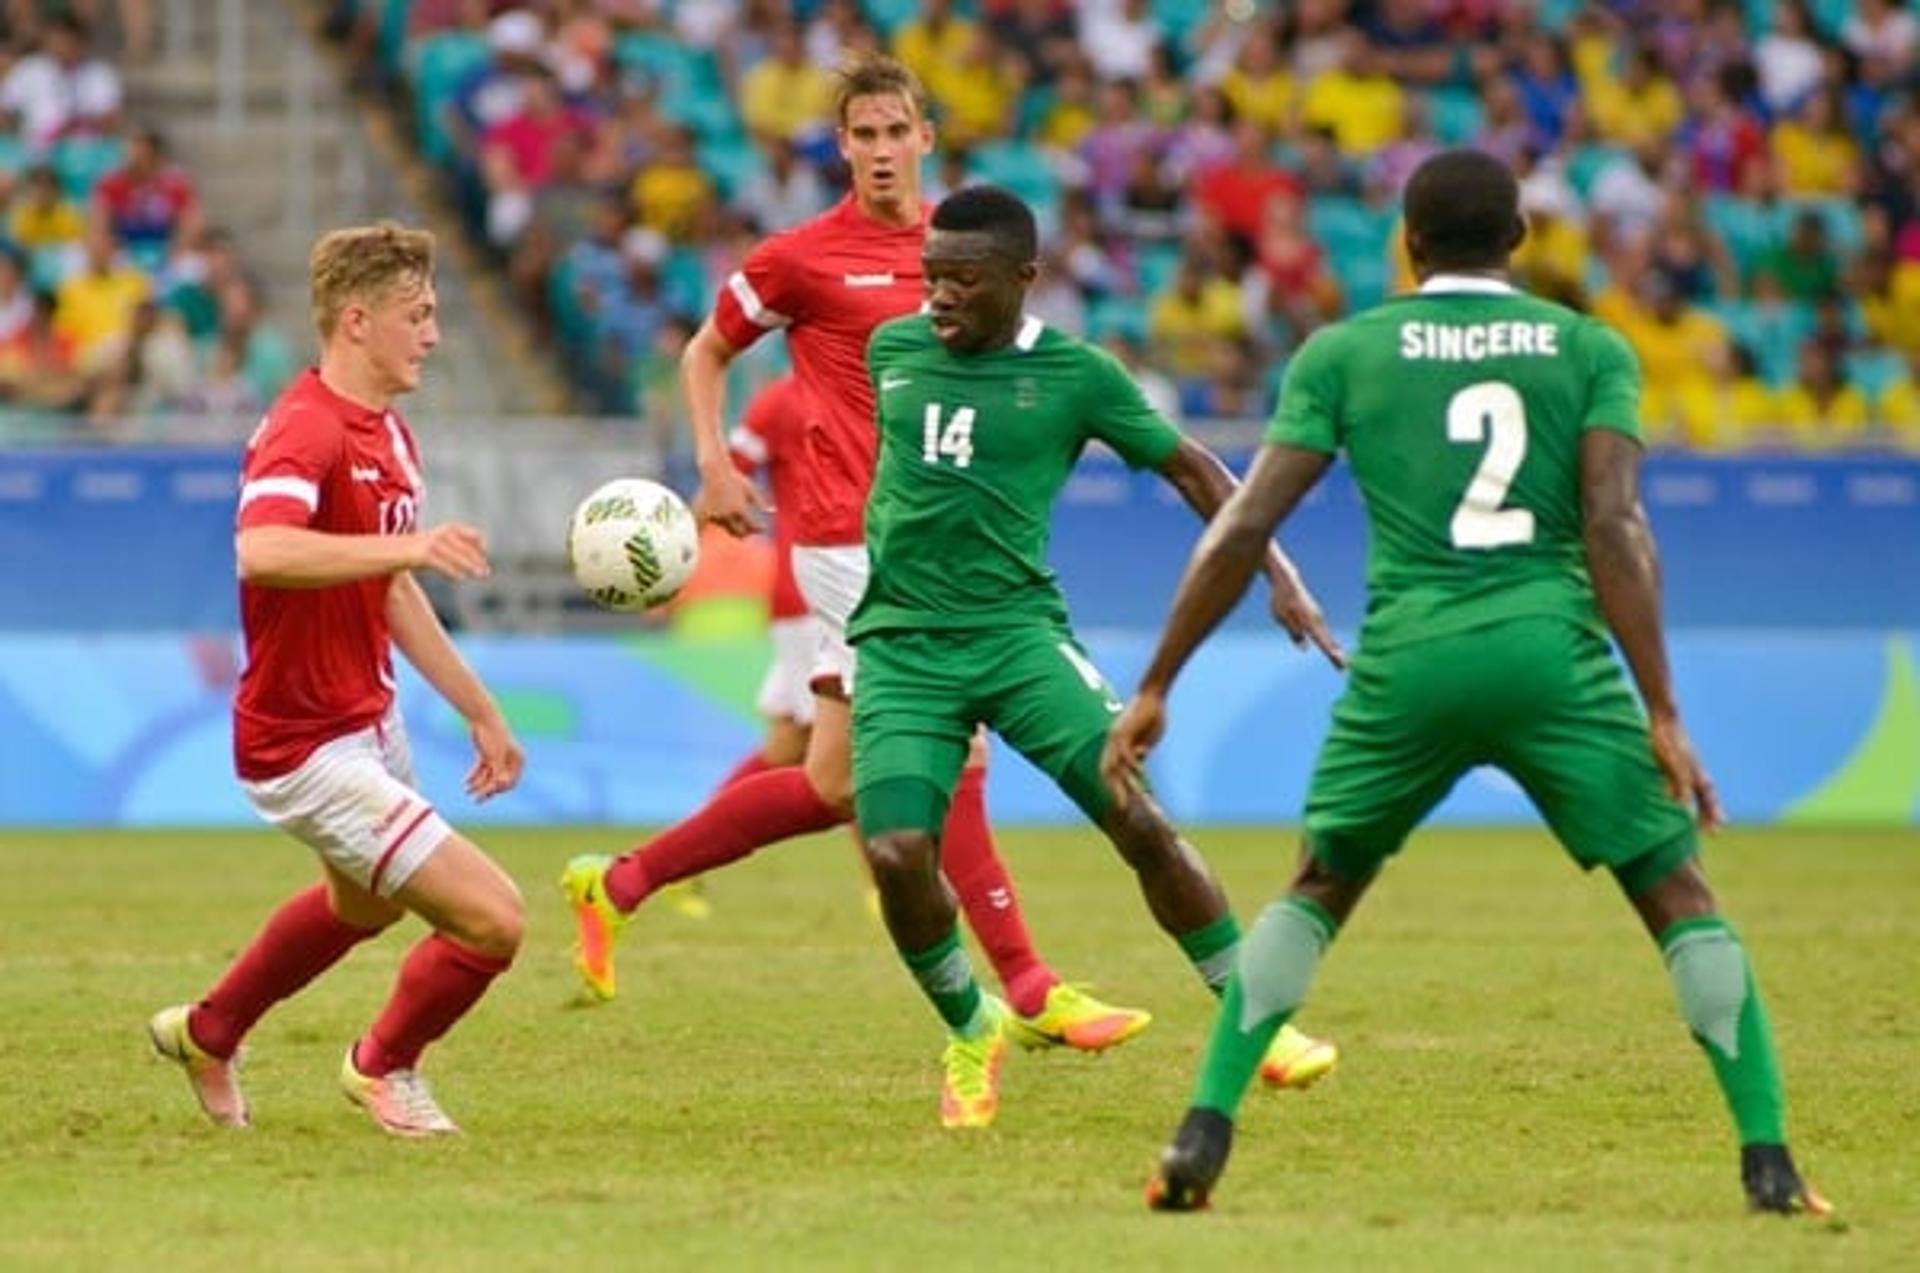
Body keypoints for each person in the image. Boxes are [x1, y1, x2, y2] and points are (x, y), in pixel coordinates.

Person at [562, 57, 1339, 1076]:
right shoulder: (803, 259)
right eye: (862, 135)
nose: (881, 152)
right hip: (855, 553)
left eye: (897, 132)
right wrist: (712, 461)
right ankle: (1024, 989)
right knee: (928, 775)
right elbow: (706, 348)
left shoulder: (968, 256)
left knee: (832, 778)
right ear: (839, 145)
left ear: (925, 136)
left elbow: (1165, 452)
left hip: (945, 558)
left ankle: (621, 883)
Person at [1104, 149, 1830, 1217]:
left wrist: (1160, 679)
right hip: (1550, 654)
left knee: (1317, 887)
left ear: (1407, 242)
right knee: (1678, 895)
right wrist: (1663, 708)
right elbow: (1616, 525)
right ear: (1522, 242)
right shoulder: (1587, 347)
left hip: (1411, 660)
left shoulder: (1345, 351)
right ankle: (1770, 1166)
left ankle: (1200, 1135)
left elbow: (1245, 522)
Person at [851, 184, 1345, 1127]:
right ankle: (970, 1026)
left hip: (1019, 637)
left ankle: (1257, 1023)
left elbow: (1197, 469)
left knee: (1138, 818)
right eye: (931, 278)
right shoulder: (893, 349)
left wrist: (1278, 573)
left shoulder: (1080, 376)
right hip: (903, 647)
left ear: (1025, 280)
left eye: (964, 279)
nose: (940, 297)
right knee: (898, 850)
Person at [147, 223, 527, 1138]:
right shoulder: (303, 429)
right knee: (493, 920)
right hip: (301, 744)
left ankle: (209, 1031)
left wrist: (480, 709)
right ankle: (382, 1064)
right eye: (417, 315)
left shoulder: (390, 435)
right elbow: (261, 549)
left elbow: (388, 587)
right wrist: (411, 544)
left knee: (361, 905)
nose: (432, 335)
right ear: (357, 321)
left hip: (369, 719)